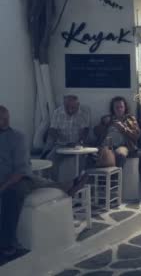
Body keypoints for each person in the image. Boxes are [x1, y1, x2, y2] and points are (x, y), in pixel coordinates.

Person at [0, 106, 87, 257]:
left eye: (7, 117)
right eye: (2, 118)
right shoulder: (58, 114)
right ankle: (67, 185)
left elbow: (20, 172)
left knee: (14, 192)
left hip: (17, 179)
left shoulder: (17, 137)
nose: (6, 121)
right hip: (25, 175)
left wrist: (2, 188)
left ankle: (8, 244)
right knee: (40, 180)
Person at [45, 95, 91, 179]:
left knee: (83, 160)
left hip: (78, 144)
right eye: (67, 107)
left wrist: (79, 142)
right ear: (63, 104)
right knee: (50, 159)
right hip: (61, 144)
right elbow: (52, 130)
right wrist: (60, 139)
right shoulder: (57, 112)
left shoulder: (84, 112)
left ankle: (78, 183)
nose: (70, 109)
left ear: (78, 105)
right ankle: (54, 184)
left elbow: (85, 130)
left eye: (73, 107)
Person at [94, 97, 141, 167]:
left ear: (125, 108)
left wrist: (123, 128)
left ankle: (116, 176)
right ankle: (87, 177)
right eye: (116, 107)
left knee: (120, 155)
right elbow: (96, 132)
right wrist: (104, 124)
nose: (119, 109)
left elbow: (136, 136)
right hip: (106, 146)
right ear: (113, 109)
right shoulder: (107, 119)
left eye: (121, 107)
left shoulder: (130, 119)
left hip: (122, 146)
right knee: (91, 156)